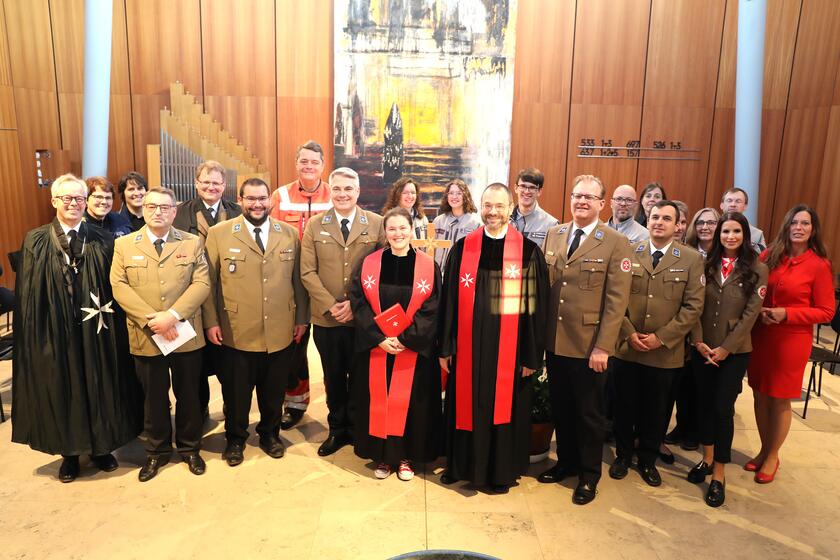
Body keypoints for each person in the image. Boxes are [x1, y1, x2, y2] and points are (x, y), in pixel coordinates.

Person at [12, 174, 142, 483]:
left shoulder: (103, 239)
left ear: (85, 202)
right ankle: (69, 454)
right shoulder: (35, 240)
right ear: (54, 201)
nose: (73, 203)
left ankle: (101, 448)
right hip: (56, 329)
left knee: (99, 383)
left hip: (97, 327)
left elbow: (116, 286)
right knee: (64, 386)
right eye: (67, 198)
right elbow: (28, 292)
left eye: (79, 198)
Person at [438, 183, 549, 493]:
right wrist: (446, 346)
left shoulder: (527, 252)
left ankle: (500, 472)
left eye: (499, 206)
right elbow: (449, 301)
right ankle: (461, 466)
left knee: (504, 410)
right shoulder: (464, 248)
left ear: (510, 208)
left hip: (509, 354)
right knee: (465, 407)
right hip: (468, 350)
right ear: (481, 206)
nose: (492, 212)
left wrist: (531, 355)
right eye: (487, 205)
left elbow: (536, 309)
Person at [537, 174, 632, 505]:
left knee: (589, 415)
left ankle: (589, 475)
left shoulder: (615, 242)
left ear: (601, 203)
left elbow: (617, 301)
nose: (581, 201)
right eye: (577, 195)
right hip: (556, 341)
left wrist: (603, 346)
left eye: (589, 197)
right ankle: (566, 463)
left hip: (590, 346)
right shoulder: (555, 234)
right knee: (562, 408)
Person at [203, 178, 309, 465]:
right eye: (251, 199)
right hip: (236, 330)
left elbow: (298, 282)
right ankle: (235, 439)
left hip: (280, 328)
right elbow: (208, 283)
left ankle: (269, 434)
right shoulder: (219, 233)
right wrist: (211, 321)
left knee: (273, 391)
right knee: (236, 393)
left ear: (270, 200)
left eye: (262, 198)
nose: (257, 204)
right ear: (240, 200)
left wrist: (301, 318)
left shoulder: (289, 234)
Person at [111, 187, 210, 482]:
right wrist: (152, 320)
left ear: (174, 212)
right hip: (146, 334)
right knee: (153, 398)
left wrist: (172, 316)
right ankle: (157, 452)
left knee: (189, 395)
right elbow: (119, 286)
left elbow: (202, 284)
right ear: (143, 209)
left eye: (165, 207)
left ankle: (190, 448)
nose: (158, 212)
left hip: (185, 333)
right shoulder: (124, 245)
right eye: (152, 206)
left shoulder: (192, 242)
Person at [610, 201, 704, 487]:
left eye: (666, 218)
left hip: (664, 353)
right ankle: (623, 455)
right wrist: (628, 332)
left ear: (677, 226)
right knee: (624, 407)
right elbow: (616, 297)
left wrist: (661, 337)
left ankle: (648, 460)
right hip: (627, 348)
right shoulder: (629, 251)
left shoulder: (690, 259)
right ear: (647, 221)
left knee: (656, 410)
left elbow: (693, 307)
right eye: (654, 217)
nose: (659, 222)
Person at [349, 207, 442, 480]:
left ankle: (405, 457)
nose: (398, 234)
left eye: (403, 228)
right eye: (392, 229)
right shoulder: (369, 263)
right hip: (378, 348)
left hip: (412, 349)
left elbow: (432, 308)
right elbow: (358, 302)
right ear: (385, 232)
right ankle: (383, 456)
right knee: (380, 402)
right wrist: (379, 338)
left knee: (410, 405)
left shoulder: (428, 266)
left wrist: (404, 339)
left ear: (412, 230)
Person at [301, 167, 385, 456]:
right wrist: (331, 305)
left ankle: (359, 429)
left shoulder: (376, 223)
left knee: (361, 378)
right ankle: (337, 429)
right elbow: (307, 272)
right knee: (334, 377)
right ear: (330, 191)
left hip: (363, 318)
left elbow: (382, 270)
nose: (342, 194)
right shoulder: (315, 225)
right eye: (336, 188)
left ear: (357, 191)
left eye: (348, 189)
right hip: (327, 319)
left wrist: (354, 304)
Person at [747, 204, 834, 483]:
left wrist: (787, 314)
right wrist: (758, 311)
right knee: (759, 393)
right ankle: (764, 449)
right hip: (762, 334)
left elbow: (826, 311)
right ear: (787, 226)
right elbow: (753, 289)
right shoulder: (770, 255)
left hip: (791, 339)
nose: (799, 227)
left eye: (805, 223)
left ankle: (773, 455)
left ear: (813, 229)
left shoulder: (819, 265)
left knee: (780, 397)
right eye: (794, 222)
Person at [688, 212, 768, 507]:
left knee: (722, 409)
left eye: (736, 231)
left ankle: (719, 473)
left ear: (745, 235)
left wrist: (725, 349)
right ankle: (707, 458)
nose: (730, 236)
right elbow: (694, 305)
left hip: (734, 353)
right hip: (702, 347)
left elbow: (751, 314)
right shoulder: (704, 264)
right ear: (717, 234)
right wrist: (699, 342)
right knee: (704, 405)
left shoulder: (758, 269)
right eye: (725, 231)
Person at [269, 140, 332, 430]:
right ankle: (295, 402)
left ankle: (338, 406)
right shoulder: (280, 196)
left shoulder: (335, 195)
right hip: (290, 282)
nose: (309, 166)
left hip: (326, 283)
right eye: (303, 161)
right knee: (293, 346)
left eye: (314, 162)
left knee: (332, 349)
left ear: (323, 165)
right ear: (296, 163)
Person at [173, 160, 243, 419]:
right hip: (191, 293)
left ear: (224, 185)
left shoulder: (237, 212)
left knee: (229, 358)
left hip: (228, 295)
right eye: (206, 182)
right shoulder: (180, 213)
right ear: (196, 183)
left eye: (216, 183)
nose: (211, 187)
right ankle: (199, 408)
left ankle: (231, 405)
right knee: (195, 362)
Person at [431, 178, 481, 273]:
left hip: (462, 274)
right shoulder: (438, 221)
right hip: (438, 272)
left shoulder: (476, 223)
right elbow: (430, 248)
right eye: (451, 193)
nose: (454, 197)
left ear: (465, 196)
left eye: (459, 193)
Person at [510, 168, 559, 249]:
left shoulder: (551, 225)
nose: (526, 191)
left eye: (532, 187)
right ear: (516, 188)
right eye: (523, 186)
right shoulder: (504, 219)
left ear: (539, 191)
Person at [382, 176, 429, 240]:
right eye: (405, 193)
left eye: (413, 193)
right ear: (397, 195)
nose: (410, 196)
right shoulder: (388, 219)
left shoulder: (423, 219)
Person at [720, 187, 766, 252]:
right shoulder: (711, 228)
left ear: (745, 206)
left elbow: (762, 256)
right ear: (721, 205)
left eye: (738, 201)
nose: (733, 205)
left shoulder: (756, 234)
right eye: (729, 201)